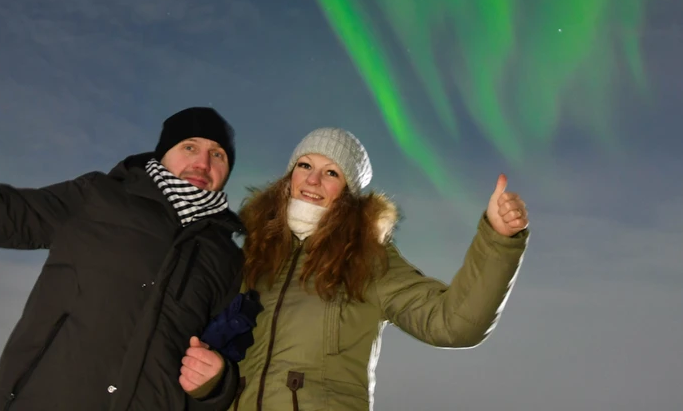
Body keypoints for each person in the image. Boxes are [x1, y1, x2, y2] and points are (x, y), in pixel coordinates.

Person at [0, 18, 245, 411]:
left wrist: (216, 386)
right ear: (163, 153)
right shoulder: (99, 197)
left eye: (218, 154)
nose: (202, 162)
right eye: (190, 147)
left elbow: (218, 369)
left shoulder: (227, 258)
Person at [225, 127, 529, 410]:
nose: (313, 180)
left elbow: (453, 323)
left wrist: (498, 239)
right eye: (304, 165)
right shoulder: (254, 255)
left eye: (331, 172)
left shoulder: (366, 259)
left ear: (348, 192)